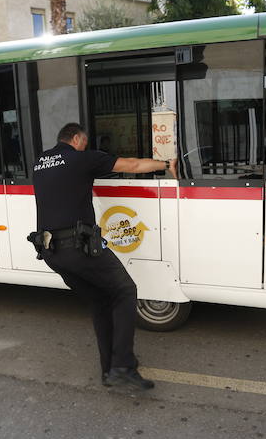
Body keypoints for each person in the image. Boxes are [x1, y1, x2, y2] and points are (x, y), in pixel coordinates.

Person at [31, 122, 177, 389]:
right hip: (77, 247)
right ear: (76, 138)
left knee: (99, 299)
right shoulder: (82, 158)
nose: (85, 146)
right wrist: (166, 164)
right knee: (125, 291)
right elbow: (132, 165)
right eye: (84, 142)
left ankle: (108, 369)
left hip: (51, 252)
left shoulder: (40, 162)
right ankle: (123, 366)